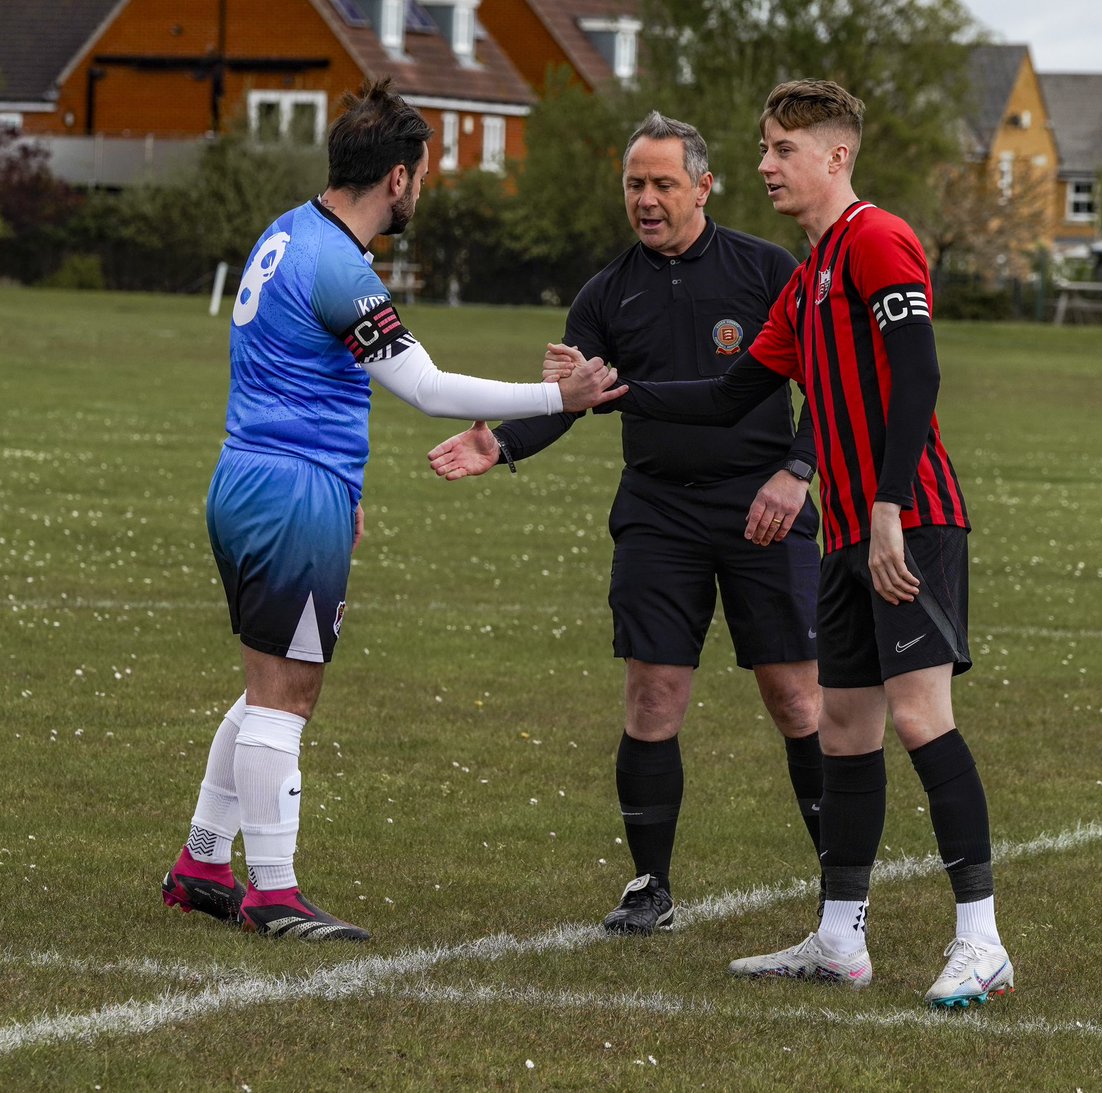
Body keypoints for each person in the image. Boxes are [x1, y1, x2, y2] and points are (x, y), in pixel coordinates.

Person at [547, 80, 1013, 1008]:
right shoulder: (809, 279)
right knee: (843, 730)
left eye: (781, 151)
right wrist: (611, 391)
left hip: (906, 518)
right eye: (762, 149)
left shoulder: (878, 239)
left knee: (921, 719)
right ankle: (840, 939)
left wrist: (885, 505)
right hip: (844, 529)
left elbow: (918, 372)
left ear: (835, 156)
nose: (765, 166)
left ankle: (982, 939)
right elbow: (727, 396)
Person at [160, 78, 625, 943]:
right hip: (290, 493)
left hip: (252, 477)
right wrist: (559, 398)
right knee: (285, 695)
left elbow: (296, 374)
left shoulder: (286, 231)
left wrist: (345, 486)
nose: (423, 188)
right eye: (424, 172)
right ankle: (272, 890)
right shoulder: (339, 265)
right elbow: (429, 387)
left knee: (266, 680)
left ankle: (199, 862)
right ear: (399, 179)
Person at [427, 112, 824, 936]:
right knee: (652, 696)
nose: (645, 199)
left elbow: (828, 383)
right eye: (634, 185)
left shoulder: (767, 269)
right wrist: (500, 442)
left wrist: (797, 471)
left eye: (662, 184)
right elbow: (571, 401)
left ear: (704, 186)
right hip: (658, 511)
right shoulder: (608, 293)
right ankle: (650, 884)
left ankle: (841, 884)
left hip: (764, 504)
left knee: (795, 697)